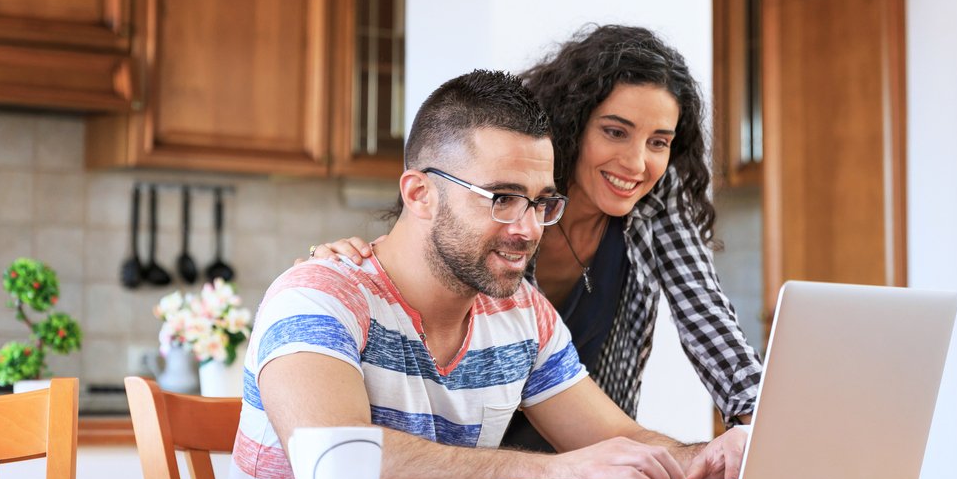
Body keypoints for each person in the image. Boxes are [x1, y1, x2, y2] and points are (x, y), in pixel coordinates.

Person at [227, 69, 749, 479]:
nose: (528, 229)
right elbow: (336, 464)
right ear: (420, 193)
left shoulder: (520, 313)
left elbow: (622, 441)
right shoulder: (318, 296)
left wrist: (707, 457)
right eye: (502, 198)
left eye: (541, 203)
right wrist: (561, 471)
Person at [309, 25, 763, 452]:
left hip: (589, 452)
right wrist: (342, 275)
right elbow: (432, 249)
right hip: (481, 459)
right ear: (574, 123)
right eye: (615, 132)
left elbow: (709, 322)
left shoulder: (655, 205)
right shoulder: (510, 211)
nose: (636, 162)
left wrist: (761, 431)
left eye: (659, 142)